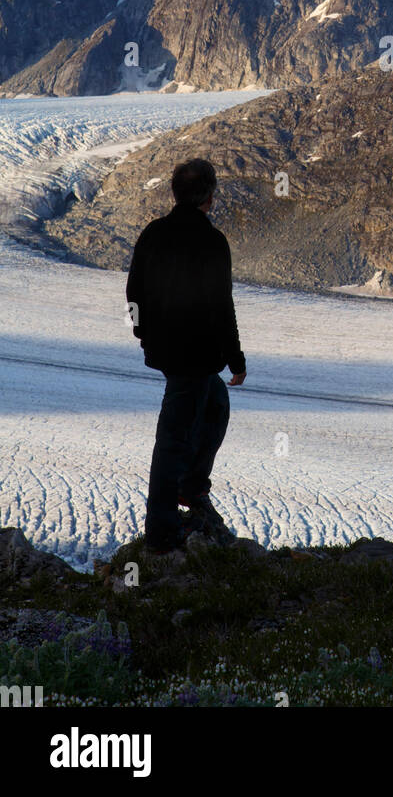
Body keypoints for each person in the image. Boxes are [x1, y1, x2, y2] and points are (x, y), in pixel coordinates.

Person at [126, 157, 247, 553]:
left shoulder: (153, 234)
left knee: (215, 402)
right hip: (194, 355)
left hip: (167, 350)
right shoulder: (212, 242)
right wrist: (236, 358)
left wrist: (143, 333)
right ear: (209, 198)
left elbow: (133, 292)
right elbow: (220, 305)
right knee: (174, 437)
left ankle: (191, 488)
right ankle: (161, 529)